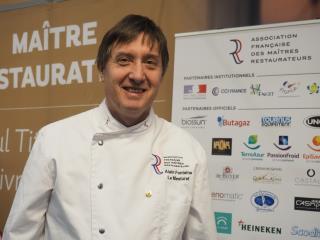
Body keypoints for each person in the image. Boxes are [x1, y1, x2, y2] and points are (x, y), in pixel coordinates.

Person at [3, 14, 215, 240]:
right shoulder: (55, 140)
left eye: (150, 62)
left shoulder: (187, 150)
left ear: (161, 74)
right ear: (102, 70)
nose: (137, 75)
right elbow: (20, 234)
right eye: (124, 60)